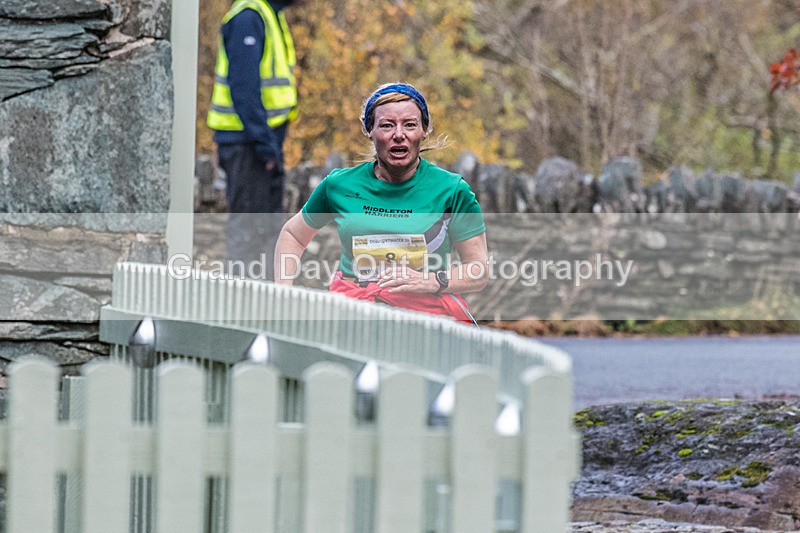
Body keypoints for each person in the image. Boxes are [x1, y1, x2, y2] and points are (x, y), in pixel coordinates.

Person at [274, 83, 489, 322]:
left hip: (425, 314)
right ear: (369, 130)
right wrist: (284, 294)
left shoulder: (452, 190)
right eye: (387, 125)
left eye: (410, 124)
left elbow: (478, 271)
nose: (399, 134)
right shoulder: (339, 185)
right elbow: (292, 235)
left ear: (424, 130)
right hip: (354, 310)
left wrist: (429, 281)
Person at [207, 0, 301, 279]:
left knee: (264, 234)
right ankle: (238, 312)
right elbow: (244, 89)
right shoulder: (249, 17)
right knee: (249, 235)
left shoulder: (269, 15)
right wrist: (265, 146)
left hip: (259, 144)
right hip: (248, 145)